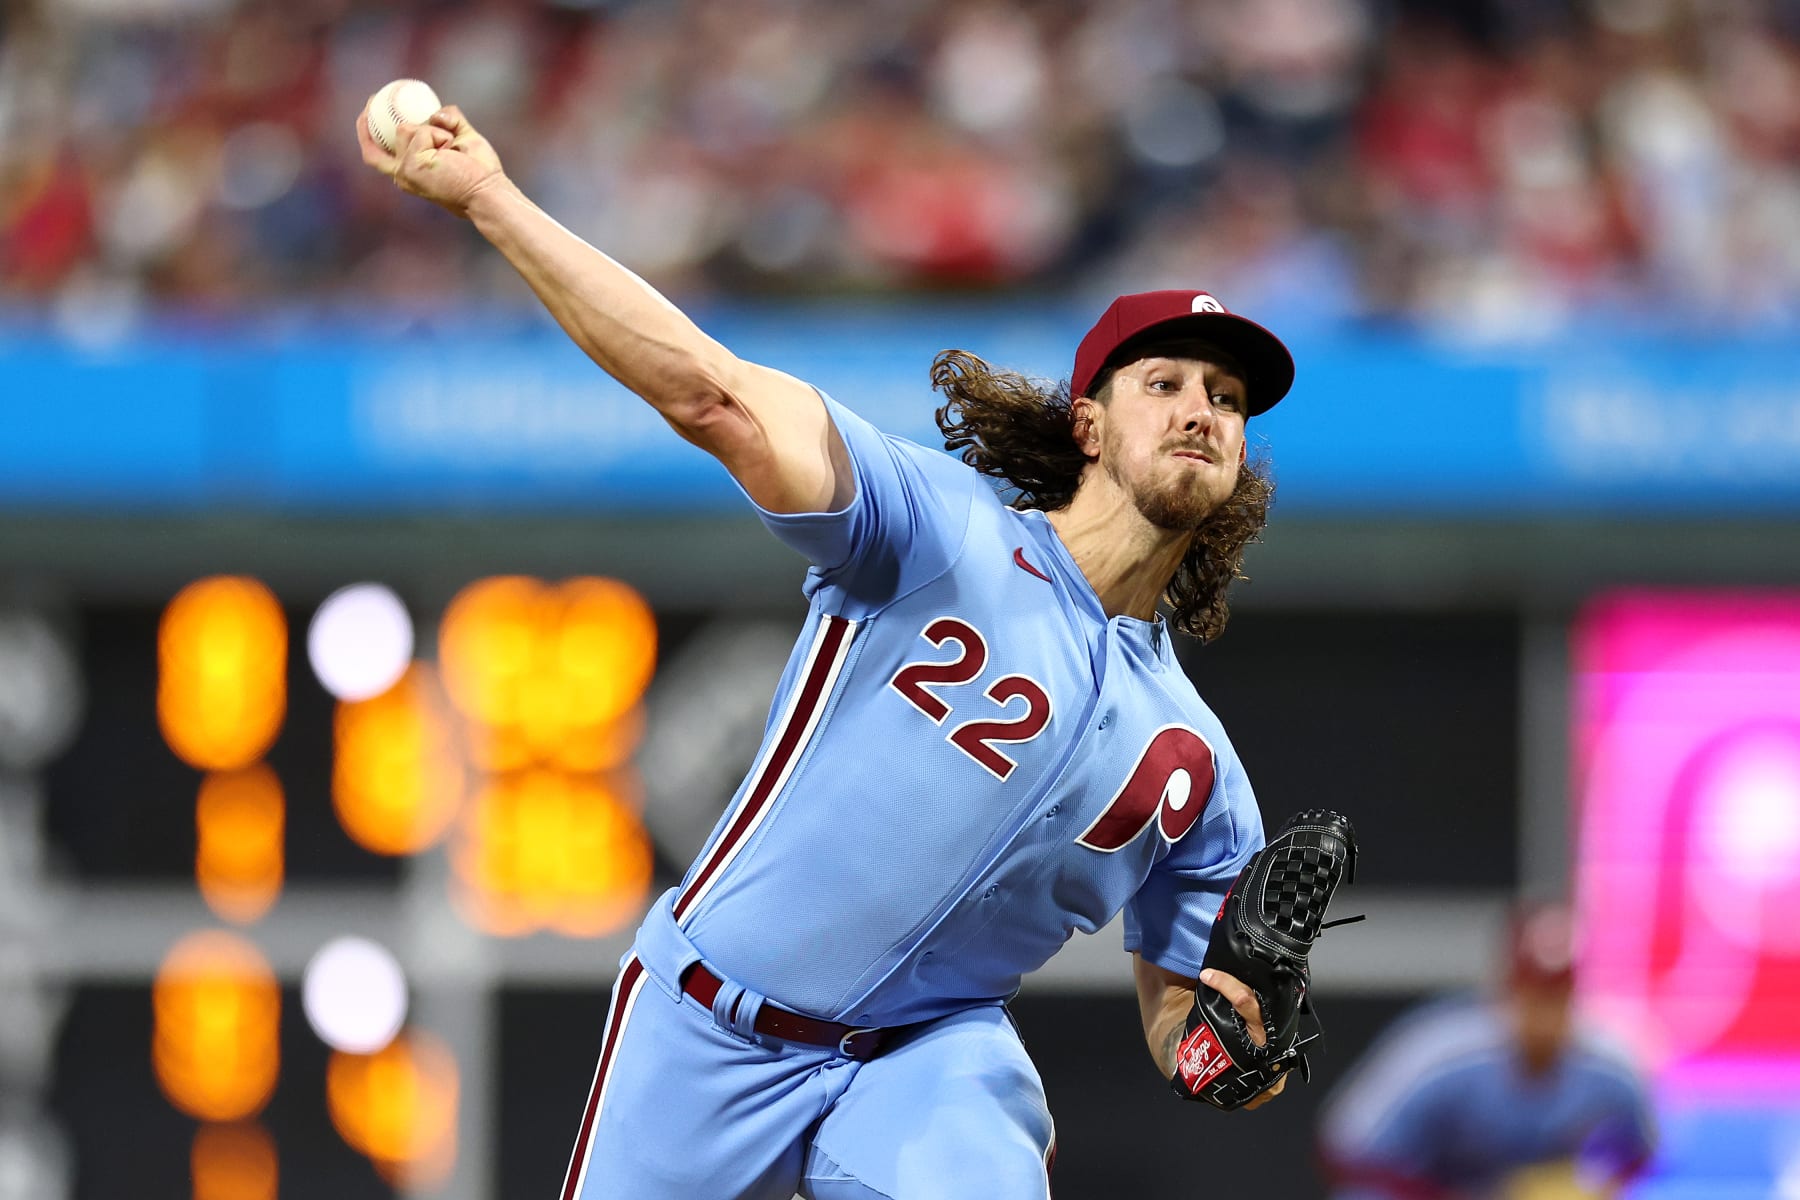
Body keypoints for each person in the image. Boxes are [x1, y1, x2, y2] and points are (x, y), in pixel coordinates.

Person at [359, 99, 1299, 1200]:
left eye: (1227, 399)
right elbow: (713, 396)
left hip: (928, 1061)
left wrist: (1234, 1044)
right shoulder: (936, 528)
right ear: (1088, 423)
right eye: (1167, 382)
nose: (1202, 410)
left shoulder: (1196, 761)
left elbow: (1180, 1011)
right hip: (706, 1025)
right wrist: (489, 200)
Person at [1318, 904, 1657, 1200]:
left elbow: (1643, 1154)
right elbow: (1344, 1148)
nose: (1544, 1010)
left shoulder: (1607, 1065)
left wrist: (1593, 1184)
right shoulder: (1442, 1052)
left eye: (1557, 993)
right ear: (1507, 987)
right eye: (1532, 990)